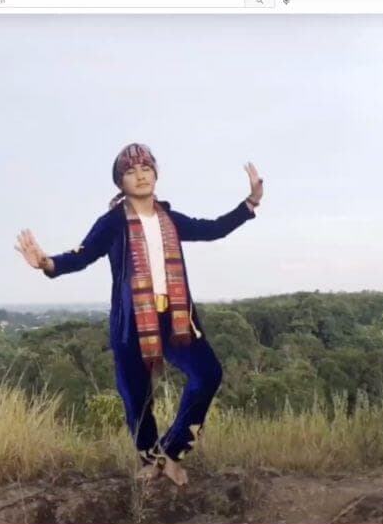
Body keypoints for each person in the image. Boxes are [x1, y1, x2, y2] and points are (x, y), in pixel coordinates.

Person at [14, 143, 264, 486]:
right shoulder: (113, 223)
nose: (140, 175)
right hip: (133, 323)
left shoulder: (170, 219)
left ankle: (171, 453)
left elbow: (213, 229)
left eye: (146, 168)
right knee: (136, 395)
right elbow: (83, 255)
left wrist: (250, 204)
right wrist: (47, 263)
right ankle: (152, 461)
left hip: (176, 318)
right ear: (120, 182)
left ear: (156, 174)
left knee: (208, 374)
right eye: (130, 171)